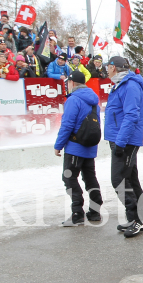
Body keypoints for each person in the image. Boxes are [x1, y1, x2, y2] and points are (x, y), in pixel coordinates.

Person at [103, 55, 143, 238]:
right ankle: (139, 219)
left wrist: (120, 143)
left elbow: (131, 116)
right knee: (130, 179)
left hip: (126, 140)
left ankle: (136, 220)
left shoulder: (129, 85)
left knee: (119, 180)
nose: (106, 70)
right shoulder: (120, 84)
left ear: (114, 67)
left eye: (108, 66)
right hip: (121, 139)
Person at [55, 68, 104, 227]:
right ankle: (95, 211)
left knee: (68, 177)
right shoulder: (93, 100)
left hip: (75, 147)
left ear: (72, 83)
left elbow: (67, 124)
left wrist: (58, 145)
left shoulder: (73, 99)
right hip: (90, 147)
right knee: (90, 178)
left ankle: (77, 213)